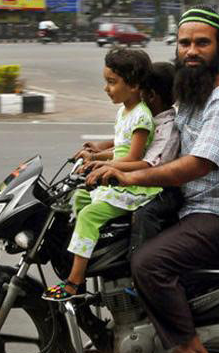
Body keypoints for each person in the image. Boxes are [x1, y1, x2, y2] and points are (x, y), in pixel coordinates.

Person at [87, 6, 219, 353]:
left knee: (149, 263)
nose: (192, 51)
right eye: (185, 43)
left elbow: (199, 162)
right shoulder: (194, 89)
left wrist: (131, 177)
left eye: (202, 43)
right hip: (191, 202)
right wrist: (106, 152)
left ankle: (189, 350)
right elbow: (161, 134)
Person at [42, 48, 161, 301]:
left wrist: (100, 163)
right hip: (118, 180)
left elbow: (134, 159)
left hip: (133, 189)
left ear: (134, 85)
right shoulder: (124, 111)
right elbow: (119, 148)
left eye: (112, 82)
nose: (106, 88)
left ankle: (74, 281)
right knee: (78, 199)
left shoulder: (141, 116)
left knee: (87, 216)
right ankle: (86, 254)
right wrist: (95, 155)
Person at [80, 62, 183, 257]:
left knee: (144, 215)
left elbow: (147, 164)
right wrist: (97, 154)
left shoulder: (167, 128)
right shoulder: (147, 118)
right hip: (142, 179)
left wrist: (106, 164)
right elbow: (125, 147)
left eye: (140, 91)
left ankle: (139, 268)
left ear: (151, 95)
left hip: (161, 188)